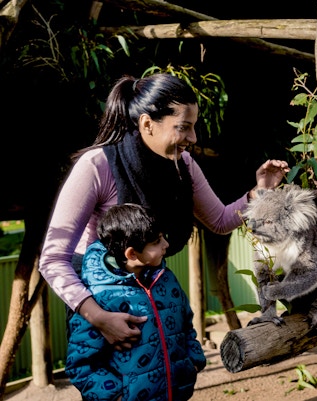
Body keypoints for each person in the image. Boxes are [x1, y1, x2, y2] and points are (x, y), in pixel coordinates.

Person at [39, 72, 289, 351]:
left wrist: (259, 192)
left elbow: (219, 221)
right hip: (99, 304)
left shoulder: (183, 165)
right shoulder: (97, 165)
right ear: (147, 124)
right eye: (184, 127)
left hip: (153, 295)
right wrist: (99, 318)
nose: (192, 138)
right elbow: (53, 260)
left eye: (194, 127)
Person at [65, 203, 205, 401]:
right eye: (157, 241)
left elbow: (186, 324)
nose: (166, 244)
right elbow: (80, 365)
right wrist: (116, 397)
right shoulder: (100, 298)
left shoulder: (166, 279)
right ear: (132, 254)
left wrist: (194, 362)